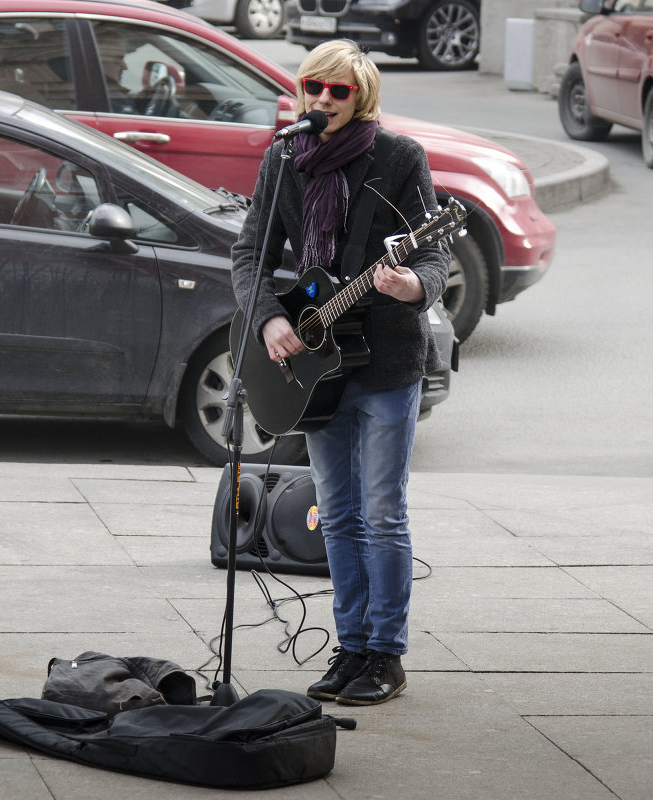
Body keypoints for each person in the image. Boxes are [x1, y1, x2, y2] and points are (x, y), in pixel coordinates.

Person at [231, 39, 449, 706]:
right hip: (317, 364)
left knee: (383, 511)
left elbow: (435, 257)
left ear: (363, 97)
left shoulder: (399, 160)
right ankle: (348, 647)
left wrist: (412, 284)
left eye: (337, 91)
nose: (322, 100)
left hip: (386, 360)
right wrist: (270, 318)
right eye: (312, 88)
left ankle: (387, 654)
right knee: (340, 512)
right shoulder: (284, 160)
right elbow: (249, 253)